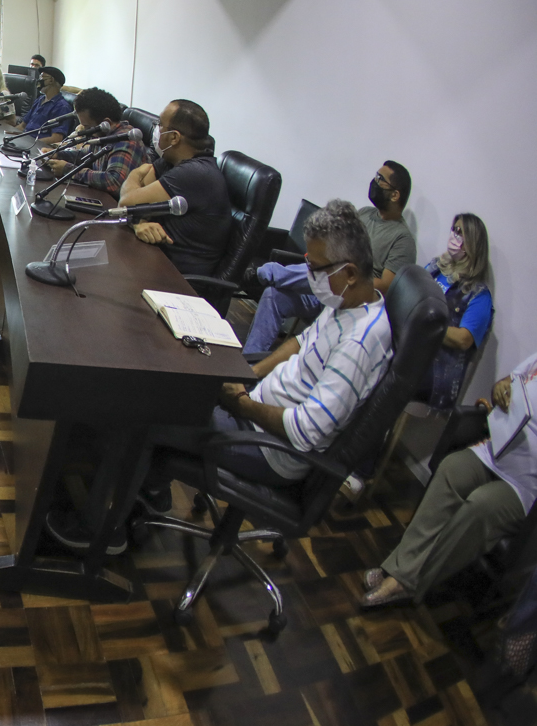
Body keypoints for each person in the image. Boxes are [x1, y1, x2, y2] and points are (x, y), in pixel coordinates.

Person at [48, 201, 393, 553]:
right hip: (256, 411)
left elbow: (305, 431)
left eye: (315, 268)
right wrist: (250, 372)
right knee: (174, 385)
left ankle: (100, 531)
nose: (309, 276)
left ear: (349, 272)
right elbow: (299, 342)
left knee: (147, 414)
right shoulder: (348, 304)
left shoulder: (360, 343)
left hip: (272, 449)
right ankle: (150, 489)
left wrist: (240, 404)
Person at [363, 353, 537, 608]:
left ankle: (406, 580)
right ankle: (402, 570)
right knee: (452, 468)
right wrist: (500, 387)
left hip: (524, 487)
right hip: (494, 452)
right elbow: (509, 383)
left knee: (481, 505)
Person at [243, 161, 416, 354]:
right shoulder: (366, 213)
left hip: (351, 298)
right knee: (274, 295)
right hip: (325, 287)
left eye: (380, 179)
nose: (374, 182)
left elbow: (386, 285)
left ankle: (263, 273)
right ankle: (249, 361)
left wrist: (342, 275)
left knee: (323, 271)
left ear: (395, 194)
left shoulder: (402, 239)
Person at [117, 99, 232, 276]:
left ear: (174, 137)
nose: (156, 130)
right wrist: (138, 224)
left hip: (179, 280)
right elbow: (132, 206)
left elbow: (126, 203)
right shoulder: (171, 161)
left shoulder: (194, 174)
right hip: (154, 258)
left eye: (160, 124)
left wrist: (134, 175)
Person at [420, 213, 493, 411]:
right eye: (455, 230)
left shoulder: (479, 295)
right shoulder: (435, 267)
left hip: (434, 386)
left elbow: (463, 339)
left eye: (462, 233)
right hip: (407, 363)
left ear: (474, 243)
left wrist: (423, 323)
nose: (455, 235)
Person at [41, 87, 148, 198]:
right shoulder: (102, 135)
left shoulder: (126, 139)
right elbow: (84, 154)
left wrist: (68, 169)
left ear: (105, 123)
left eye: (87, 126)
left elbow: (114, 181)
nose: (83, 129)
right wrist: (58, 154)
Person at [20, 66, 74, 143]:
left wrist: (31, 143)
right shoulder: (40, 100)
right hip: (24, 141)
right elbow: (22, 126)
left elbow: (56, 138)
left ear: (51, 80)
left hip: (37, 147)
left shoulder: (62, 107)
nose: (39, 80)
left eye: (42, 77)